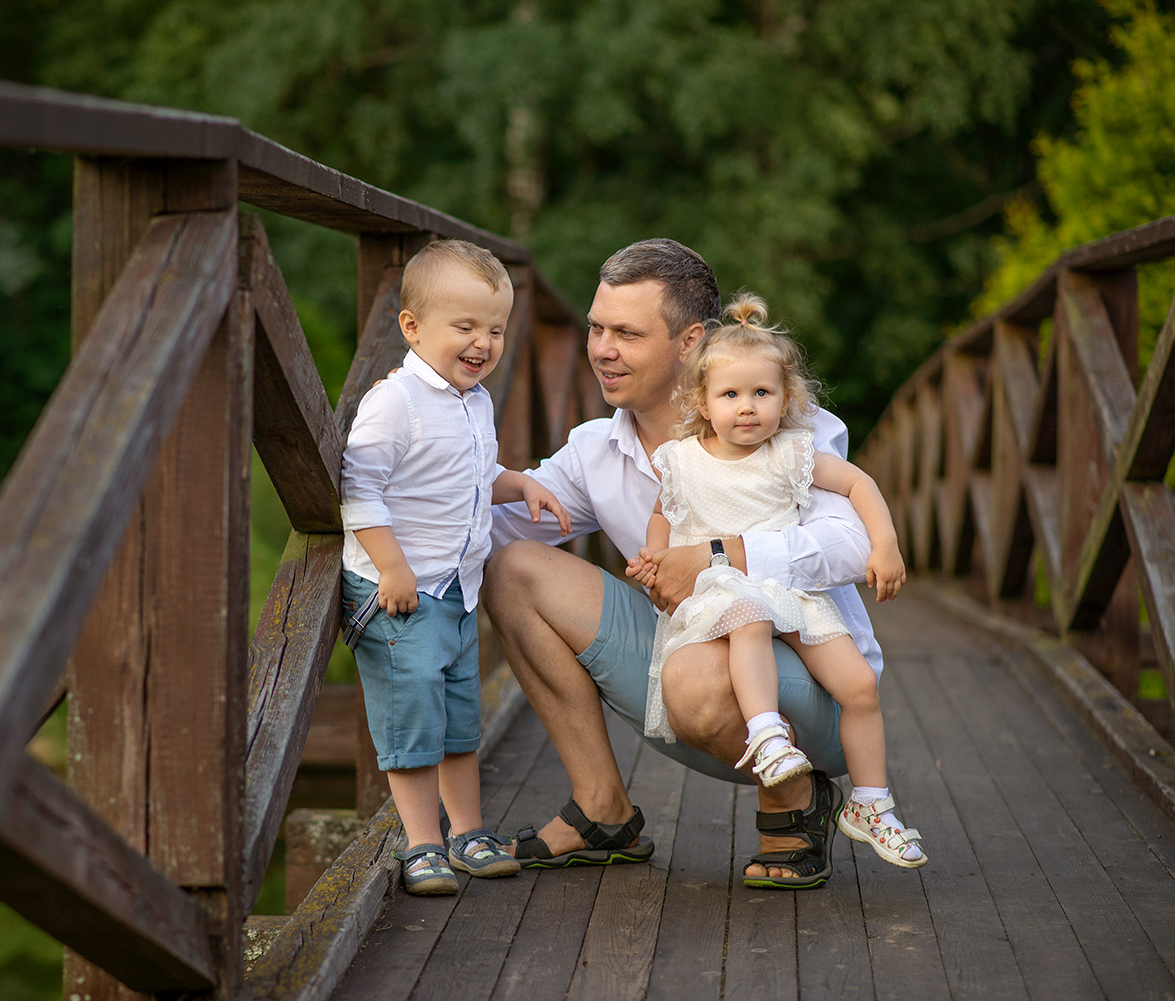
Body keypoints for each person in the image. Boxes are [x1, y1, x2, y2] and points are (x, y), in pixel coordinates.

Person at [485, 237, 882, 889]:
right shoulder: (595, 451)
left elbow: (855, 546)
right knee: (514, 570)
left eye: (627, 333)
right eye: (595, 328)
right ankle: (601, 811)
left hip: (815, 704)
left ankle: (796, 803)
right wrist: (381, 518)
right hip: (690, 689)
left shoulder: (789, 429)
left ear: (691, 342)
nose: (602, 349)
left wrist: (718, 556)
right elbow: (492, 528)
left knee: (696, 671)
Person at [627, 292, 925, 868]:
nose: (747, 407)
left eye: (762, 393)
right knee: (749, 615)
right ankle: (766, 735)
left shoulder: (792, 453)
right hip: (721, 590)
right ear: (702, 402)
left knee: (859, 684)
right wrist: (656, 558)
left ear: (786, 399)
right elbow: (663, 512)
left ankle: (871, 803)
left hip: (789, 591)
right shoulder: (682, 459)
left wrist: (885, 545)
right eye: (730, 394)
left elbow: (860, 484)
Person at [341, 238, 571, 896]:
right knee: (411, 715)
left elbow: (470, 476)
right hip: (397, 594)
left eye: (495, 329)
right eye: (465, 326)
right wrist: (391, 566)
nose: (483, 343)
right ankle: (421, 842)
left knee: (458, 717)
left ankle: (468, 830)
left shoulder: (473, 401)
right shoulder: (396, 402)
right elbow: (360, 490)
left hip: (456, 590)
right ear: (412, 328)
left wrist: (520, 483)